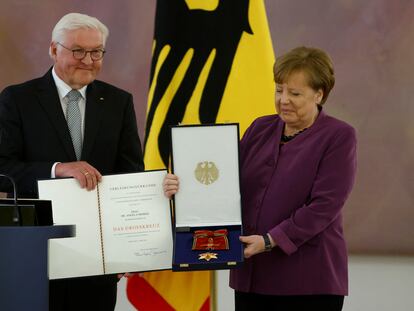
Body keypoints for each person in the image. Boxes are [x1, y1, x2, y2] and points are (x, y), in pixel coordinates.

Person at [163, 46, 357, 310]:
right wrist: (183, 185)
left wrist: (270, 240)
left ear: (319, 94)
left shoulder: (339, 136)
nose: (283, 99)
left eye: (295, 93)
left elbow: (325, 206)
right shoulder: (260, 128)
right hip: (252, 276)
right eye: (279, 90)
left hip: (309, 279)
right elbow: (225, 183)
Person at [0, 13, 144, 311]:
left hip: (97, 260)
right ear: (54, 49)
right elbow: (3, 169)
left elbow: (131, 175)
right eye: (78, 51)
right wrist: (57, 169)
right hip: (36, 255)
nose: (89, 60)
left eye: (96, 52)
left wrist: (130, 247)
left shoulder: (119, 102)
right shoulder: (17, 99)